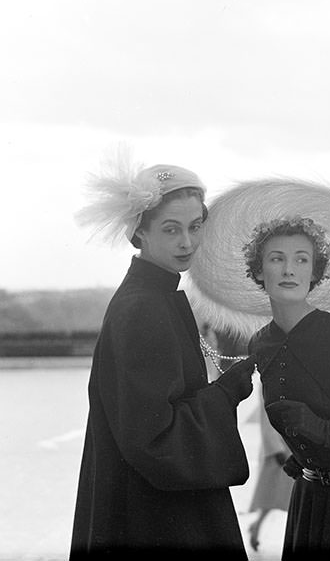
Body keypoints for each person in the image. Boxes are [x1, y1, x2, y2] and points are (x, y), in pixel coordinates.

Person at [189, 178, 330, 559]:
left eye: (302, 259)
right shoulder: (261, 343)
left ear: (315, 272)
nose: (289, 269)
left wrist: (326, 433)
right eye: (277, 258)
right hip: (311, 501)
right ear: (259, 270)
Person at [69, 155, 255, 559]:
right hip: (159, 518)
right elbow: (153, 438)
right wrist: (226, 393)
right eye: (171, 230)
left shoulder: (153, 297)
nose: (187, 242)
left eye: (195, 226)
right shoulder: (144, 309)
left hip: (146, 510)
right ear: (140, 233)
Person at [248, 393, 293, 552]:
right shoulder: (269, 376)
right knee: (271, 495)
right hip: (279, 448)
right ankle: (257, 527)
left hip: (289, 444)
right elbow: (266, 417)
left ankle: (256, 526)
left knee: (283, 496)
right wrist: (275, 448)